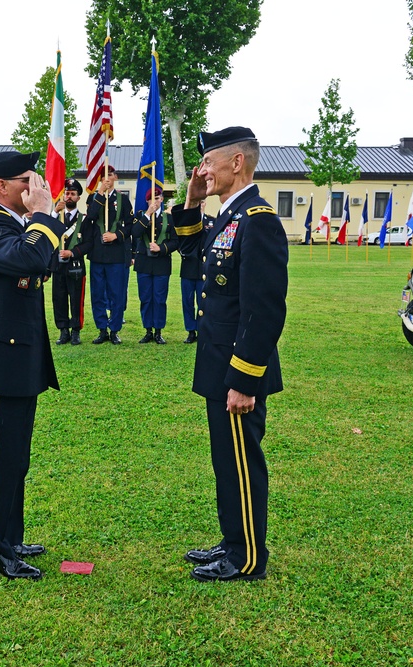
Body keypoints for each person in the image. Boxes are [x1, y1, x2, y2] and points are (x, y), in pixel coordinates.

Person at [171, 127, 289, 582]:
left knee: (241, 460)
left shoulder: (257, 220)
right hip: (218, 360)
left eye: (208, 162)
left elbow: (264, 308)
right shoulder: (228, 215)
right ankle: (231, 541)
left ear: (237, 163)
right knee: (226, 459)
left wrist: (244, 380)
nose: (202, 169)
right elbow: (191, 252)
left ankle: (247, 559)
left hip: (238, 367)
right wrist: (192, 200)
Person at [0, 150, 67, 580]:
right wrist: (44, 216)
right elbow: (30, 260)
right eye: (26, 180)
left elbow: (42, 261)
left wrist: (40, 222)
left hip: (18, 359)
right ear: (1, 187)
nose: (35, 187)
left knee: (15, 459)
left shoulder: (14, 225)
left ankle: (11, 536)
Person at [77, 165, 133, 345]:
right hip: (98, 255)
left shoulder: (123, 200)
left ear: (115, 177)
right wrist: (100, 192)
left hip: (116, 254)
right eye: (103, 177)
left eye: (110, 175)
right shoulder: (94, 198)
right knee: (98, 294)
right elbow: (90, 218)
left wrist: (117, 235)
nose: (107, 179)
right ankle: (102, 329)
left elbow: (131, 224)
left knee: (117, 294)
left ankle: (115, 329)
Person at [132, 189, 179, 343]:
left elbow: (175, 241)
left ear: (162, 199)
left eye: (157, 198)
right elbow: (136, 233)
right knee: (145, 298)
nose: (155, 201)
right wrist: (147, 215)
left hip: (161, 263)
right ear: (147, 201)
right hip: (144, 262)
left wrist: (161, 248)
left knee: (159, 298)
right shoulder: (140, 216)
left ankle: (158, 331)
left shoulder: (169, 218)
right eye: (151, 199)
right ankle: (148, 330)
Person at [50, 179, 87, 345]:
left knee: (76, 299)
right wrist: (54, 213)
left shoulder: (84, 220)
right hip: (58, 266)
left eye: (72, 194)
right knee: (59, 299)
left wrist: (72, 252)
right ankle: (63, 330)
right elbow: (47, 238)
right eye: (66, 193)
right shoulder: (55, 218)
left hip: (75, 267)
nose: (69, 196)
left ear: (78, 197)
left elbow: (89, 244)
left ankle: (75, 331)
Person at [178, 208, 213, 343]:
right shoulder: (185, 222)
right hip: (188, 267)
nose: (200, 205)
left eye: (202, 201)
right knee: (187, 301)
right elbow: (179, 241)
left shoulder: (211, 221)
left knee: (202, 301)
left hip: (204, 269)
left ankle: (202, 329)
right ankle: (191, 331)